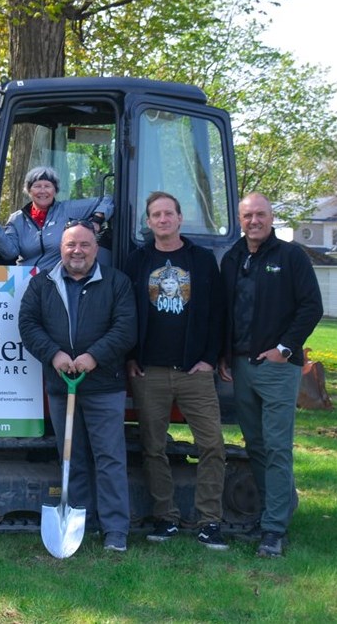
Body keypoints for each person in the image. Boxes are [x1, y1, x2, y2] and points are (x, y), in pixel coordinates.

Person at [18, 220, 136, 552]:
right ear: (61, 248)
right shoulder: (42, 284)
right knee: (72, 457)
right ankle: (81, 523)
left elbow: (126, 328)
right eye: (71, 245)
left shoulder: (116, 282)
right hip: (62, 386)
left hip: (104, 386)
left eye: (84, 244)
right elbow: (28, 324)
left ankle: (115, 529)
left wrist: (93, 356)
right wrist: (53, 355)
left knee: (110, 458)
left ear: (96, 248)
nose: (77, 251)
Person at [219, 193, 322, 558]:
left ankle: (274, 531)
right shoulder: (232, 258)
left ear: (271, 216)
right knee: (257, 446)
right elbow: (226, 312)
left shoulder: (291, 256)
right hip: (241, 366)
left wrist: (285, 349)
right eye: (247, 215)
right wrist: (223, 355)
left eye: (260, 214)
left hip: (277, 367)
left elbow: (311, 306)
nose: (254, 221)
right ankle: (270, 514)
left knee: (277, 446)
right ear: (239, 219)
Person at [123, 192, 228, 550]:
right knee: (153, 448)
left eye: (169, 213)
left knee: (212, 445)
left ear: (180, 218)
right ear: (148, 222)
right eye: (156, 215)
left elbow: (218, 313)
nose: (163, 219)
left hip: (194, 372)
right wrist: (130, 357)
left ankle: (209, 521)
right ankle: (165, 518)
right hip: (149, 372)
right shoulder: (137, 261)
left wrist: (209, 358)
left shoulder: (201, 260)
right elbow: (125, 313)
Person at [0, 166, 113, 274]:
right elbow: (10, 253)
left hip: (58, 280)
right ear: (29, 191)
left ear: (55, 190)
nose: (42, 191)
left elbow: (108, 200)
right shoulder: (17, 219)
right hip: (26, 279)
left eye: (47, 186)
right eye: (37, 186)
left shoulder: (68, 209)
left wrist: (97, 221)